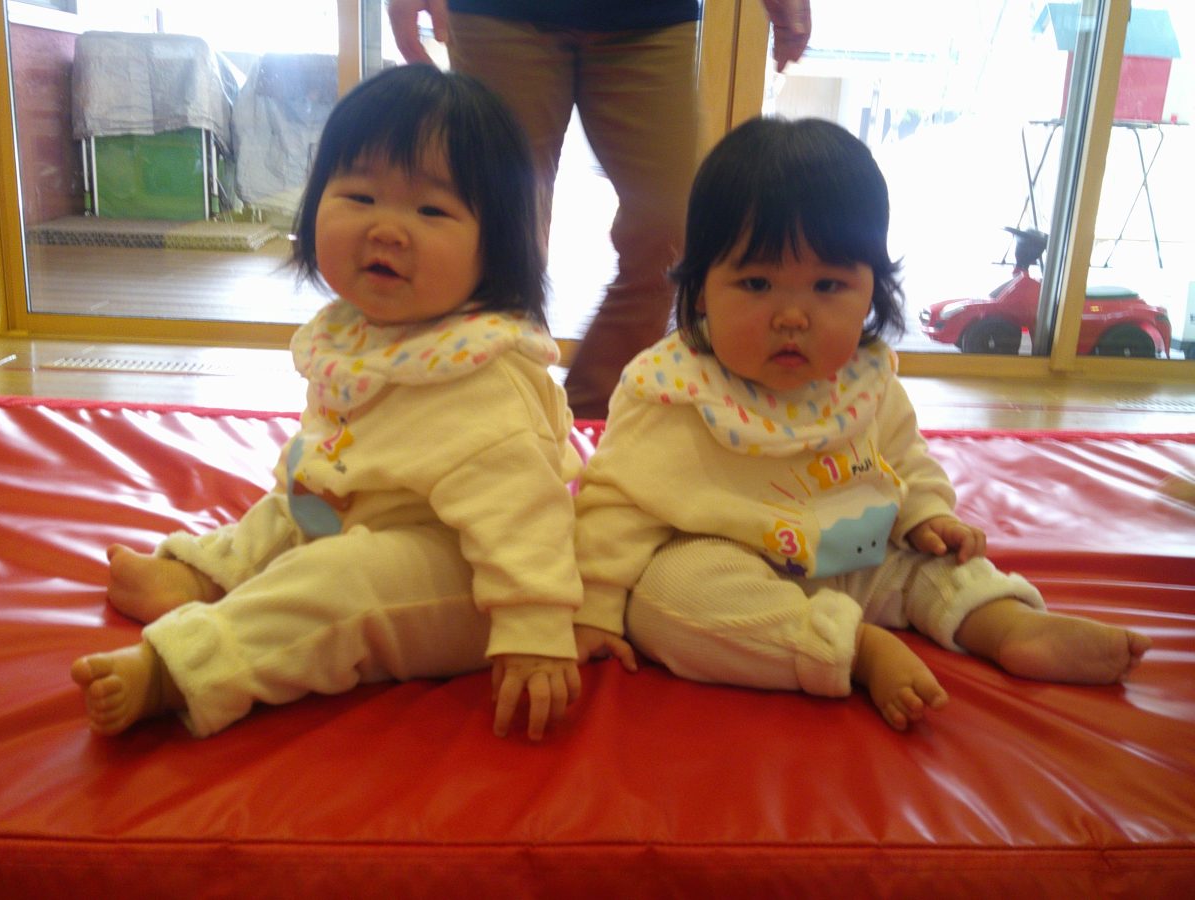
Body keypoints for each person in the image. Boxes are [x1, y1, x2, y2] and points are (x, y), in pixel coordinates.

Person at [71, 64, 622, 742]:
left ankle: (183, 667)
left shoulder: (481, 371)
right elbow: (337, 445)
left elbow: (524, 514)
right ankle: (211, 576)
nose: (387, 229)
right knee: (290, 506)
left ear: (498, 246)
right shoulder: (360, 332)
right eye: (359, 196)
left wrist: (535, 628)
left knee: (337, 580)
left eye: (431, 211)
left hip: (472, 576)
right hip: (365, 515)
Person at [572, 117, 1151, 730]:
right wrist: (596, 609)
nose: (792, 315)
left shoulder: (864, 379)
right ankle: (852, 649)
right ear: (699, 290)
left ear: (872, 291)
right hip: (739, 569)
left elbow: (905, 459)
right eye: (757, 283)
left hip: (864, 557)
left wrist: (927, 514)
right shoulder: (675, 389)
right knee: (665, 597)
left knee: (934, 565)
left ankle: (1007, 624)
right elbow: (617, 505)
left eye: (828, 285)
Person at [387, 0, 814, 419]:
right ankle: (502, 414)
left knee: (673, 230)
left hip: (650, 19)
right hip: (500, 14)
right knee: (496, 237)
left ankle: (593, 418)